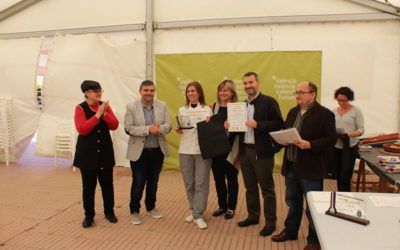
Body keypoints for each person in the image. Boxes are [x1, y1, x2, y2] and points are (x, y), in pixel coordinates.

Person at [272, 81, 336, 250]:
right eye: (296, 92)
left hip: (311, 168)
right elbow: (286, 131)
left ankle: (314, 240)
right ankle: (290, 231)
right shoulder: (293, 112)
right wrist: (282, 140)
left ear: (313, 94)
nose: (298, 95)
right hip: (292, 165)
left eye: (301, 92)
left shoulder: (325, 114)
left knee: (312, 206)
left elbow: (331, 140)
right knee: (292, 202)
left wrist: (311, 145)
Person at [226, 72, 283, 237]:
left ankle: (270, 222)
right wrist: (229, 125)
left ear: (257, 83)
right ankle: (253, 216)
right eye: (245, 83)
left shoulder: (269, 102)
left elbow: (279, 123)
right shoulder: (241, 105)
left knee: (267, 189)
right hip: (245, 152)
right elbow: (238, 130)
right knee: (250, 188)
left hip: (262, 152)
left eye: (250, 82)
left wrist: (259, 124)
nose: (248, 86)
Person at [124, 80, 172, 225]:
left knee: (153, 182)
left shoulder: (162, 105)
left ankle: (151, 207)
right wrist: (147, 129)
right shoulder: (131, 107)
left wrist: (160, 129)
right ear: (140, 91)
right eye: (146, 90)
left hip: (157, 151)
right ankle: (134, 211)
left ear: (154, 91)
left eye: (151, 90)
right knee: (138, 182)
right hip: (139, 153)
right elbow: (128, 128)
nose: (149, 93)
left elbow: (168, 125)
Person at [73, 80, 119, 228]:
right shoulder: (80, 108)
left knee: (107, 185)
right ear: (86, 93)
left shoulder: (105, 106)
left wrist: (104, 114)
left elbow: (115, 125)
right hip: (87, 153)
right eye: (95, 91)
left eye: (100, 90)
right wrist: (97, 116)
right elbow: (82, 129)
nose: (99, 93)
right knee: (88, 187)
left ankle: (109, 212)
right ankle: (89, 216)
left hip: (105, 152)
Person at [176, 81, 212, 229]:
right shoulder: (182, 110)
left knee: (201, 183)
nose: (190, 93)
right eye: (188, 91)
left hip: (203, 151)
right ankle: (193, 209)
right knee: (189, 183)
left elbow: (211, 131)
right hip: (185, 150)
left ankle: (199, 214)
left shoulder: (207, 110)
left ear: (199, 93)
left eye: (193, 91)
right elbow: (182, 129)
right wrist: (179, 130)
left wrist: (210, 125)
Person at [210, 80, 239, 220]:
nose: (222, 93)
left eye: (225, 90)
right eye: (220, 90)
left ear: (232, 92)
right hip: (216, 149)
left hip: (232, 149)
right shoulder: (213, 107)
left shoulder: (238, 107)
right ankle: (222, 206)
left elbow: (241, 129)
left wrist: (231, 126)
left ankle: (231, 208)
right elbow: (210, 128)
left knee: (232, 179)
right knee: (218, 179)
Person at [332, 86, 364, 192]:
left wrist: (349, 135)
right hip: (336, 146)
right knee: (338, 175)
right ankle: (340, 196)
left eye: (344, 100)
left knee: (345, 176)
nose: (341, 103)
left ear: (349, 99)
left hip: (350, 147)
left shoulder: (356, 111)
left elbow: (361, 129)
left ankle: (346, 198)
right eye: (339, 100)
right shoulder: (334, 112)